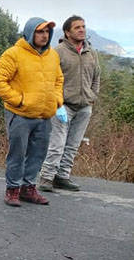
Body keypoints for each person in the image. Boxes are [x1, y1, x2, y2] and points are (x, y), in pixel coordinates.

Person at [0, 17, 64, 207]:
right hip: (20, 114)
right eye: (40, 32)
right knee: (17, 153)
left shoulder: (53, 56)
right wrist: (20, 100)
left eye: (47, 32)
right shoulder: (14, 54)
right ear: (30, 32)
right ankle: (12, 189)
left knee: (38, 154)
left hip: (45, 115)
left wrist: (57, 99)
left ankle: (28, 188)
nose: (44, 35)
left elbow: (59, 80)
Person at [38, 15, 100, 192]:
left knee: (73, 144)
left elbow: (96, 77)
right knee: (57, 143)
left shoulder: (91, 52)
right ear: (67, 32)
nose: (82, 30)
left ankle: (62, 176)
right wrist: (56, 103)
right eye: (77, 27)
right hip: (63, 105)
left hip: (85, 106)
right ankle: (46, 178)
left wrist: (92, 97)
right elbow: (49, 79)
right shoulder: (57, 52)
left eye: (83, 26)